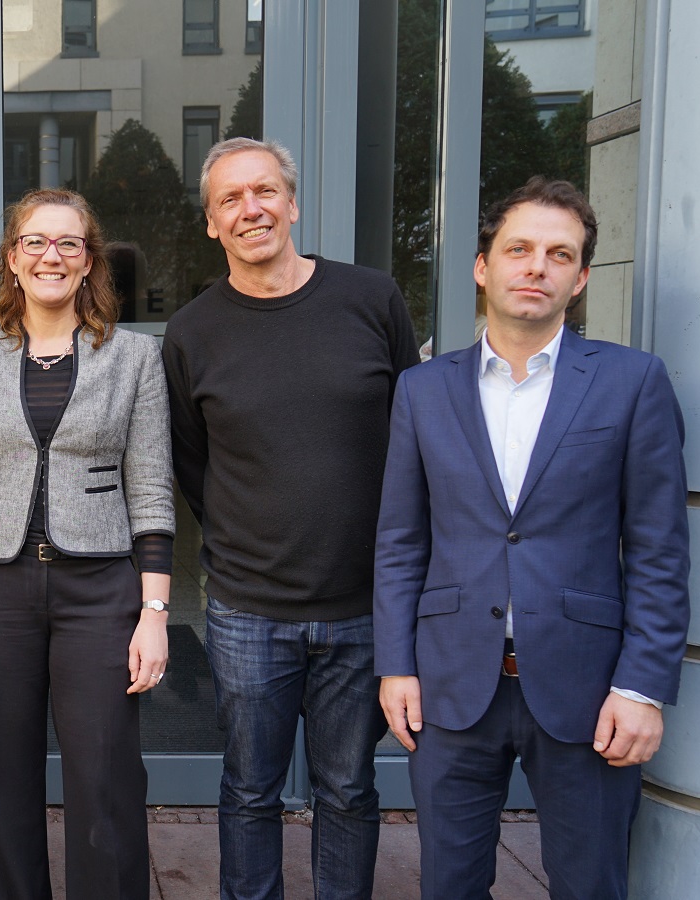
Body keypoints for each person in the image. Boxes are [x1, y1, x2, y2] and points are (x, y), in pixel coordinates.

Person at [375, 177, 690, 899]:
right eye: (518, 249)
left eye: (559, 254)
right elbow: (400, 539)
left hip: (590, 690)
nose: (536, 266)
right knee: (449, 885)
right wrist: (396, 665)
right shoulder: (423, 389)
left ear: (580, 280)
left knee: (590, 885)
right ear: (482, 267)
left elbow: (659, 551)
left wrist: (642, 687)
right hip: (452, 684)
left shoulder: (632, 382)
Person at [161, 137, 419, 899]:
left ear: (293, 203)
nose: (251, 209)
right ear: (212, 223)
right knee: (249, 790)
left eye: (265, 191)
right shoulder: (193, 332)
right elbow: (193, 466)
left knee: (349, 789)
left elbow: (415, 437)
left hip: (363, 607)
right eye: (230, 199)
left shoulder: (372, 299)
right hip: (249, 610)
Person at [0, 188, 175, 900]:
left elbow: (152, 492)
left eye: (69, 243)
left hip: (99, 592)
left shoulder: (134, 358)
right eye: (35, 241)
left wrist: (154, 614)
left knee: (107, 778)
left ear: (88, 261)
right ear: (13, 259)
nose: (51, 256)